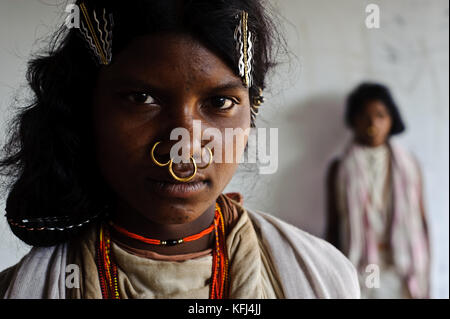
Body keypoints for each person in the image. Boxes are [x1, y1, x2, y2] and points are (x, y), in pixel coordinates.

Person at [0, 0, 359, 299]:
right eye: (142, 99)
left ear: (252, 110)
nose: (183, 143)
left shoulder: (325, 279)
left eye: (220, 101)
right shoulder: (20, 290)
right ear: (87, 109)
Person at [326, 82, 430, 299]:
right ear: (354, 120)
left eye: (380, 115)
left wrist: (425, 273)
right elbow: (334, 226)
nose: (372, 122)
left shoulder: (409, 166)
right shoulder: (341, 168)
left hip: (401, 264)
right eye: (364, 115)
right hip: (361, 265)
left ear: (392, 120)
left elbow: (421, 222)